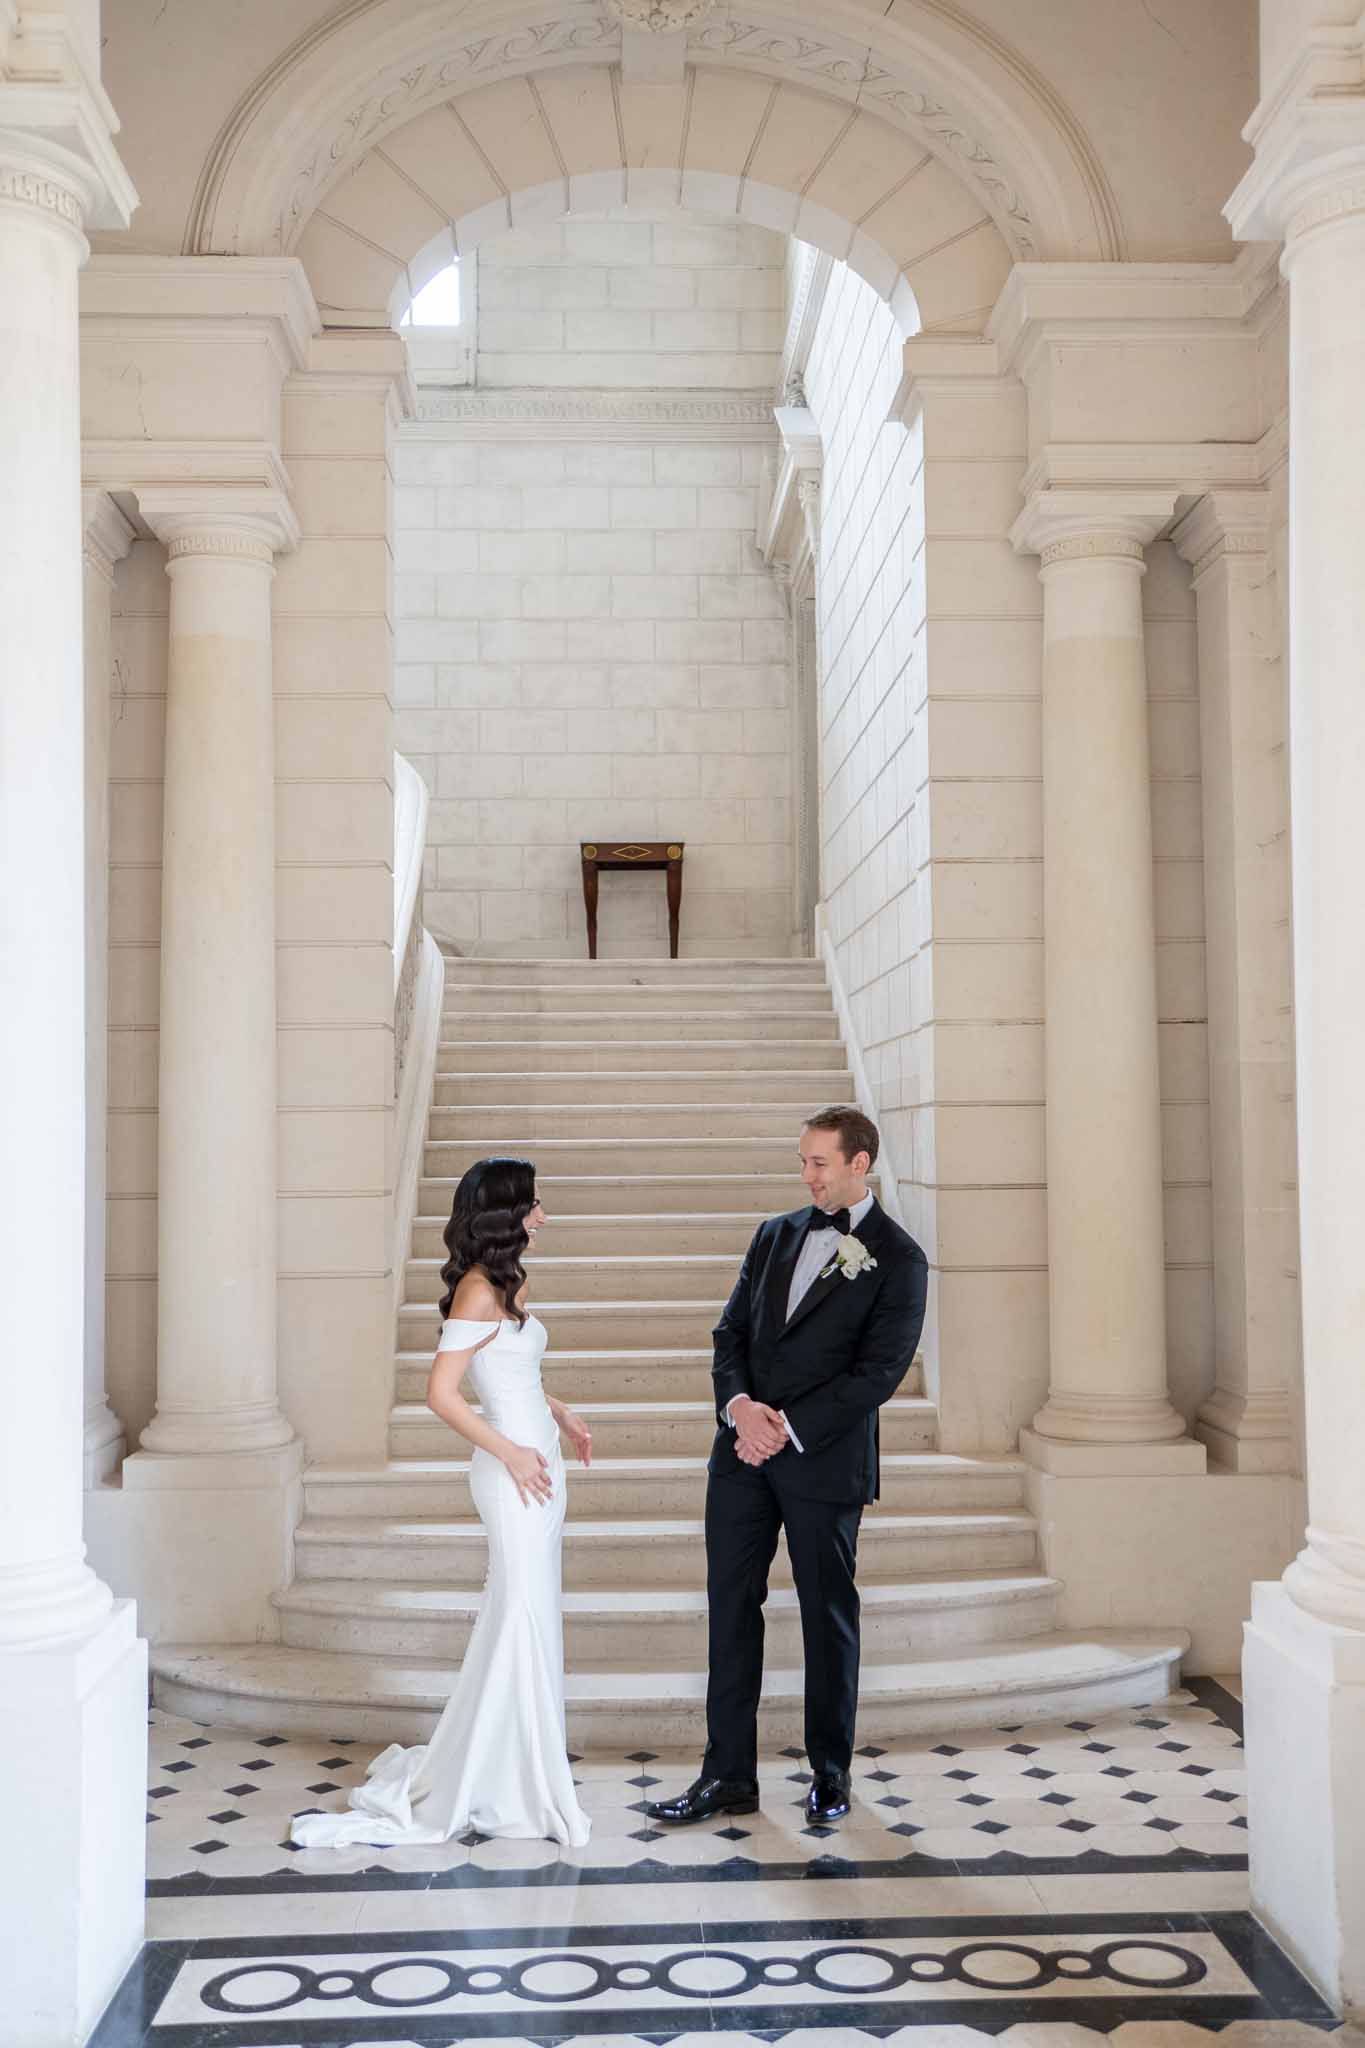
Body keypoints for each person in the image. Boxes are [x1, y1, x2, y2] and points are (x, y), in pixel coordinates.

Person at [290, 1156, 591, 1849]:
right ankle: (503, 1779)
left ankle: (519, 1765)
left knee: (529, 1614)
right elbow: (442, 1393)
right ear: (507, 1214)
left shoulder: (506, 1285)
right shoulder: (479, 1291)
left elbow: (510, 1371)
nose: (542, 1214)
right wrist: (510, 1453)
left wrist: (561, 1411)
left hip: (537, 1470)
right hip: (513, 1476)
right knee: (518, 1613)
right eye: (534, 1203)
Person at [646, 1106, 928, 1828]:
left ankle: (829, 1775)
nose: (806, 1174)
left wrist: (787, 1429)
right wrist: (739, 1407)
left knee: (826, 1616)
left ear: (858, 1164)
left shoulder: (898, 1258)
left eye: (818, 1163)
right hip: (740, 1456)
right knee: (730, 1611)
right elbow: (729, 1330)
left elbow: (878, 1374)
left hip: (824, 1464)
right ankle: (725, 1776)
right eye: (803, 1160)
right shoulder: (774, 1234)